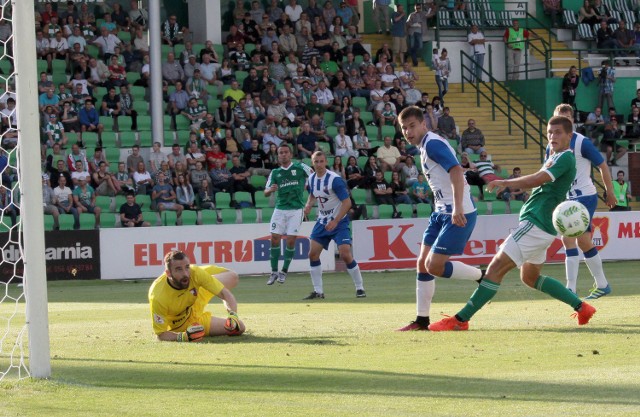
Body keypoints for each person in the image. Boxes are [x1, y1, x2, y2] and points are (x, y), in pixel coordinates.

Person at [428, 116, 597, 331]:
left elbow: (537, 179)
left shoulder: (565, 157)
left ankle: (460, 320)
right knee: (530, 277)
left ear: (569, 136)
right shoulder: (556, 157)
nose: (552, 136)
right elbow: (539, 182)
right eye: (550, 132)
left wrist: (505, 182)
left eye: (558, 132)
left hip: (535, 224)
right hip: (543, 226)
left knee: (495, 268)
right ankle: (582, 307)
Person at [396, 106, 483, 332]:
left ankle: (481, 275)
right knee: (422, 265)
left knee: (434, 266)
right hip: (440, 212)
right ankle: (421, 320)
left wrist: (456, 207)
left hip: (457, 212)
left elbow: (455, 170)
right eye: (404, 128)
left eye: (412, 126)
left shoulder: (432, 144)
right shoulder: (425, 146)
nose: (408, 131)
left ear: (424, 124)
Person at [553, 104, 616, 298]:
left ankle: (570, 288)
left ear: (572, 120)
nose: (564, 120)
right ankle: (603, 284)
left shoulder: (582, 142)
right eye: (560, 117)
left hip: (584, 196)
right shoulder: (552, 144)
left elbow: (603, 166)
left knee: (568, 238)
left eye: (567, 117)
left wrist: (610, 192)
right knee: (584, 241)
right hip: (568, 198)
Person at [302, 151, 366, 299]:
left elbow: (347, 202)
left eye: (321, 161)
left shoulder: (334, 180)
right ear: (313, 163)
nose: (318, 164)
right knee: (312, 254)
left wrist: (336, 220)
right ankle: (318, 292)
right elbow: (312, 195)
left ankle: (360, 288)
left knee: (345, 254)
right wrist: (308, 205)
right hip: (323, 221)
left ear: (325, 162)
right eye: (316, 162)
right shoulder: (311, 179)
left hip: (339, 221)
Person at [148, 250, 245, 342]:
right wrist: (184, 336)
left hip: (196, 298)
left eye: (187, 267)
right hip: (182, 325)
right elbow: (161, 334)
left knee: (232, 277)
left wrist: (233, 316)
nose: (185, 274)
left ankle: (206, 282)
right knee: (240, 327)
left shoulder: (194, 272)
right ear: (168, 273)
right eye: (179, 269)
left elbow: (224, 293)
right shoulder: (158, 296)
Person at [264, 144, 313, 285]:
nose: (283, 154)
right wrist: (271, 190)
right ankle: (273, 271)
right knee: (274, 238)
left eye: (286, 152)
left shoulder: (300, 167)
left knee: (291, 240)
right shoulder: (275, 172)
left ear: (290, 154)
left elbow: (314, 175)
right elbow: (265, 192)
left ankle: (284, 271)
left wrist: (309, 187)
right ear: (278, 156)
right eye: (281, 153)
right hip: (280, 209)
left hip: (296, 209)